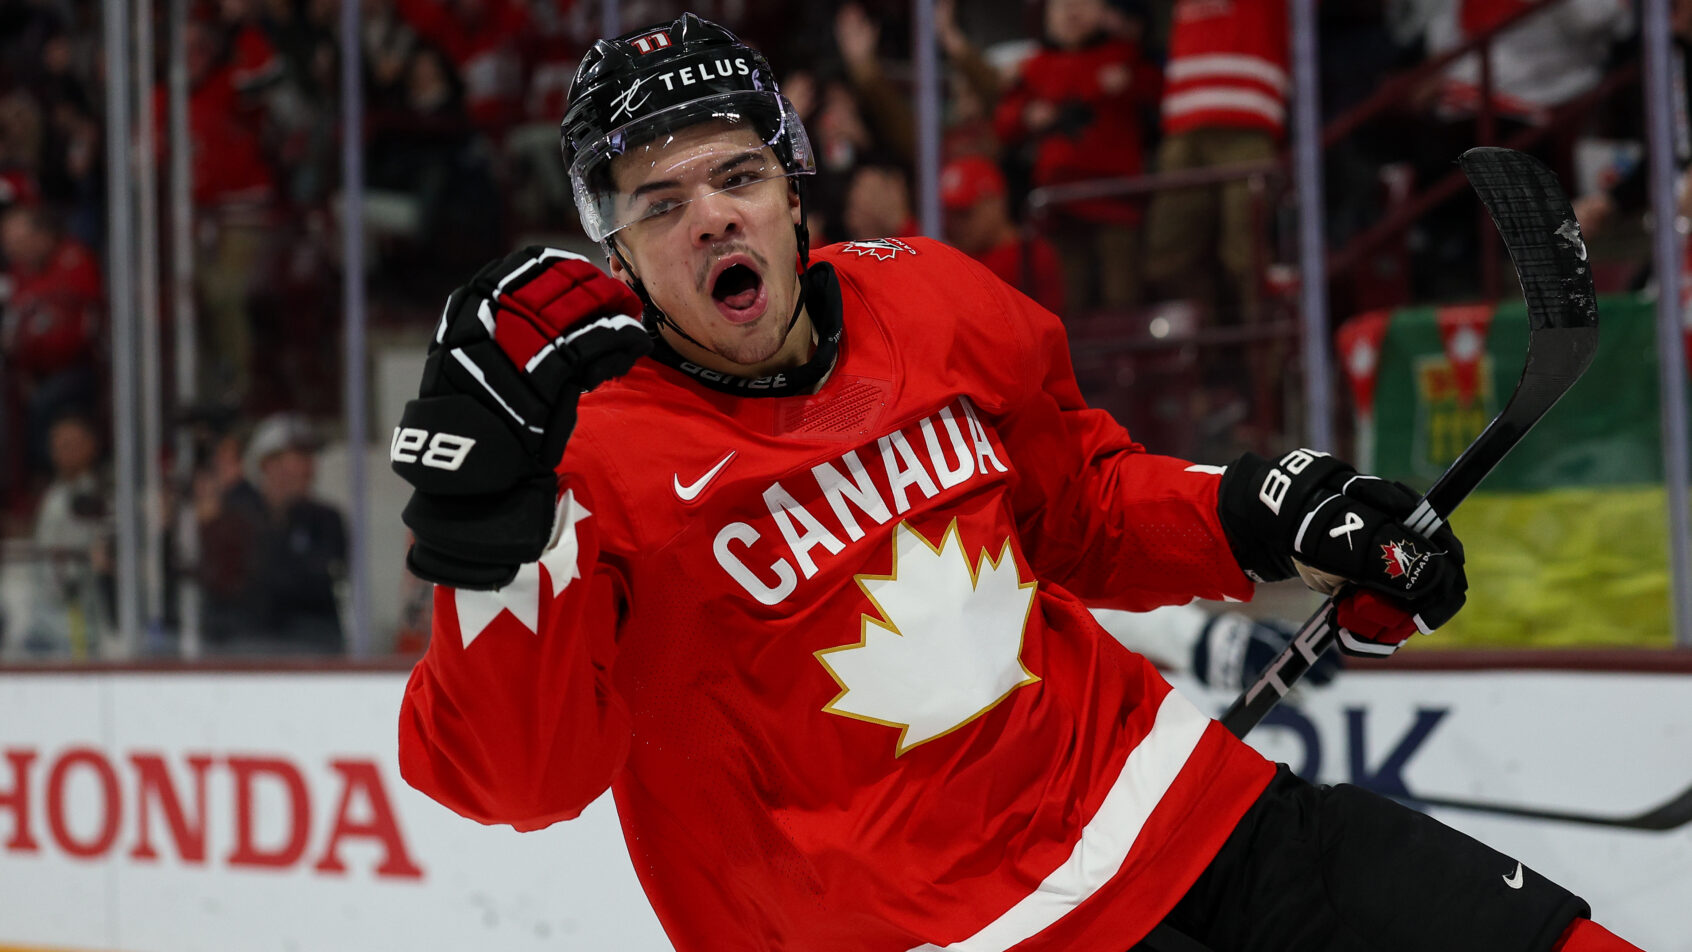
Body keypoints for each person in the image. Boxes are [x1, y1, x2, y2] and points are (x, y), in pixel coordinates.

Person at [393, 15, 1644, 952]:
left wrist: (1266, 515)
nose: (711, 219)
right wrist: (486, 538)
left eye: (737, 176)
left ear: (791, 187)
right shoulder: (585, 454)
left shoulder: (930, 298)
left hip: (1184, 811)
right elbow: (519, 779)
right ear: (609, 242)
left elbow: (1086, 505)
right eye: (657, 201)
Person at [198, 412, 346, 653]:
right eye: (299, 455)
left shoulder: (326, 520)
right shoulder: (237, 518)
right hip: (245, 649)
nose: (310, 465)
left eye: (310, 456)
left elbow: (320, 583)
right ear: (268, 463)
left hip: (312, 648)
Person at [940, 154, 1065, 316]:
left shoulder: (1031, 255)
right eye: (949, 216)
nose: (955, 225)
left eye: (965, 213)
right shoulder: (954, 254)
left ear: (995, 203)